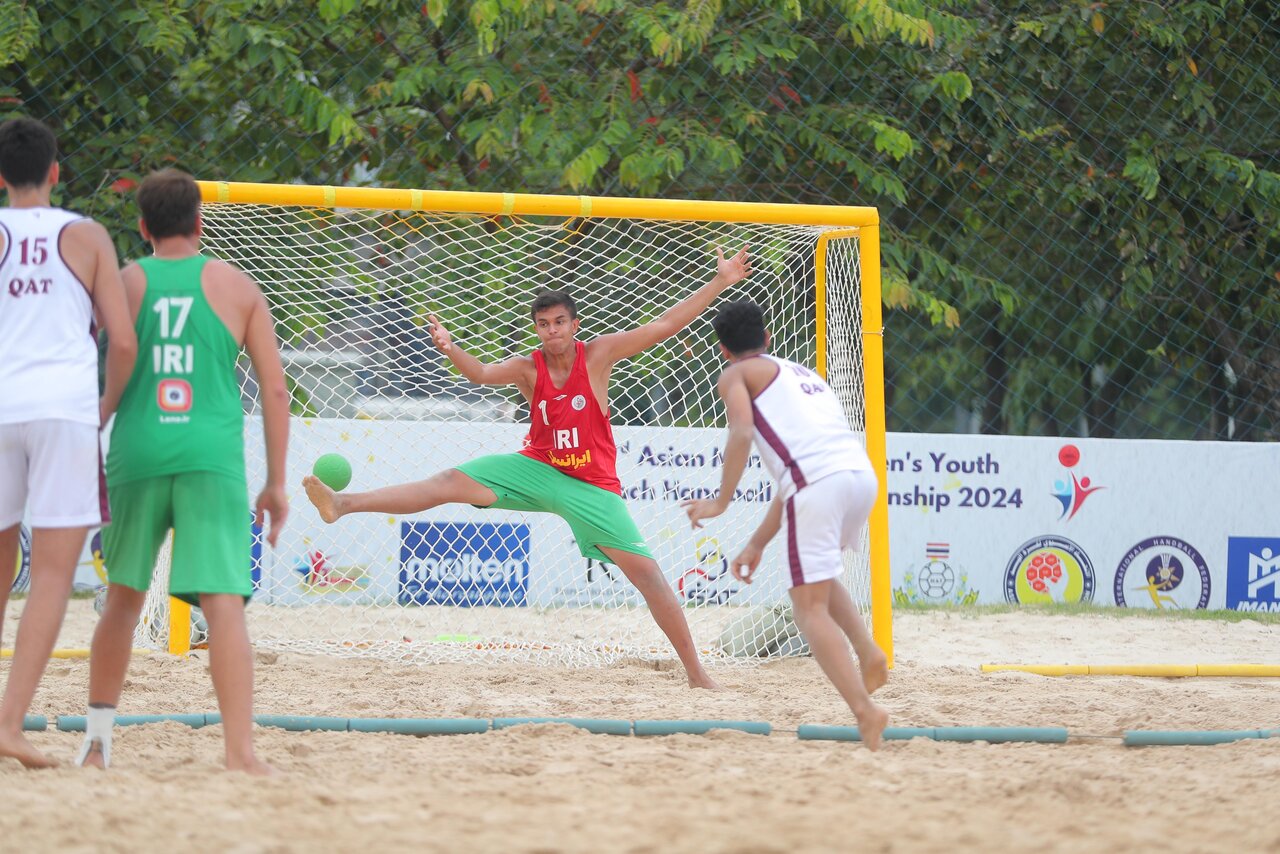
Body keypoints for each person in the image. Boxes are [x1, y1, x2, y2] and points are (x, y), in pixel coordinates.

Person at [303, 248, 753, 689]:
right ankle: (342, 503)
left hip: (591, 487)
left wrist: (720, 281)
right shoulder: (527, 368)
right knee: (446, 482)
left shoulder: (596, 355)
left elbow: (665, 325)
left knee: (650, 577)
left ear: (574, 325)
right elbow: (478, 373)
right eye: (543, 324)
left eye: (559, 322)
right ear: (536, 329)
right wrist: (449, 348)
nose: (552, 330)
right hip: (537, 468)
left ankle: (696, 674)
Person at [76, 169, 290, 775]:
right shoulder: (238, 287)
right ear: (200, 221)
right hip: (209, 456)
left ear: (141, 227)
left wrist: (99, 416)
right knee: (223, 604)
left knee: (122, 599)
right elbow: (274, 391)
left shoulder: (125, 283)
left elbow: (105, 354)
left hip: (138, 449)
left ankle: (96, 744)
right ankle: (240, 754)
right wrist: (274, 481)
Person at [681, 300, 890, 749]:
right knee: (820, 579)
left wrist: (720, 501)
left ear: (721, 350)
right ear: (768, 339)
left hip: (818, 485)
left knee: (806, 608)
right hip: (860, 477)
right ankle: (868, 650)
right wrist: (757, 544)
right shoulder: (803, 375)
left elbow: (740, 432)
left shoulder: (735, 375)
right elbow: (793, 481)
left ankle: (865, 711)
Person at [0, 117, 137, 768]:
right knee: (53, 574)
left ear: (0, 177)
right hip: (63, 411)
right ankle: (9, 723)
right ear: (57, 171)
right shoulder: (84, 235)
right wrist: (103, 409)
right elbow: (124, 339)